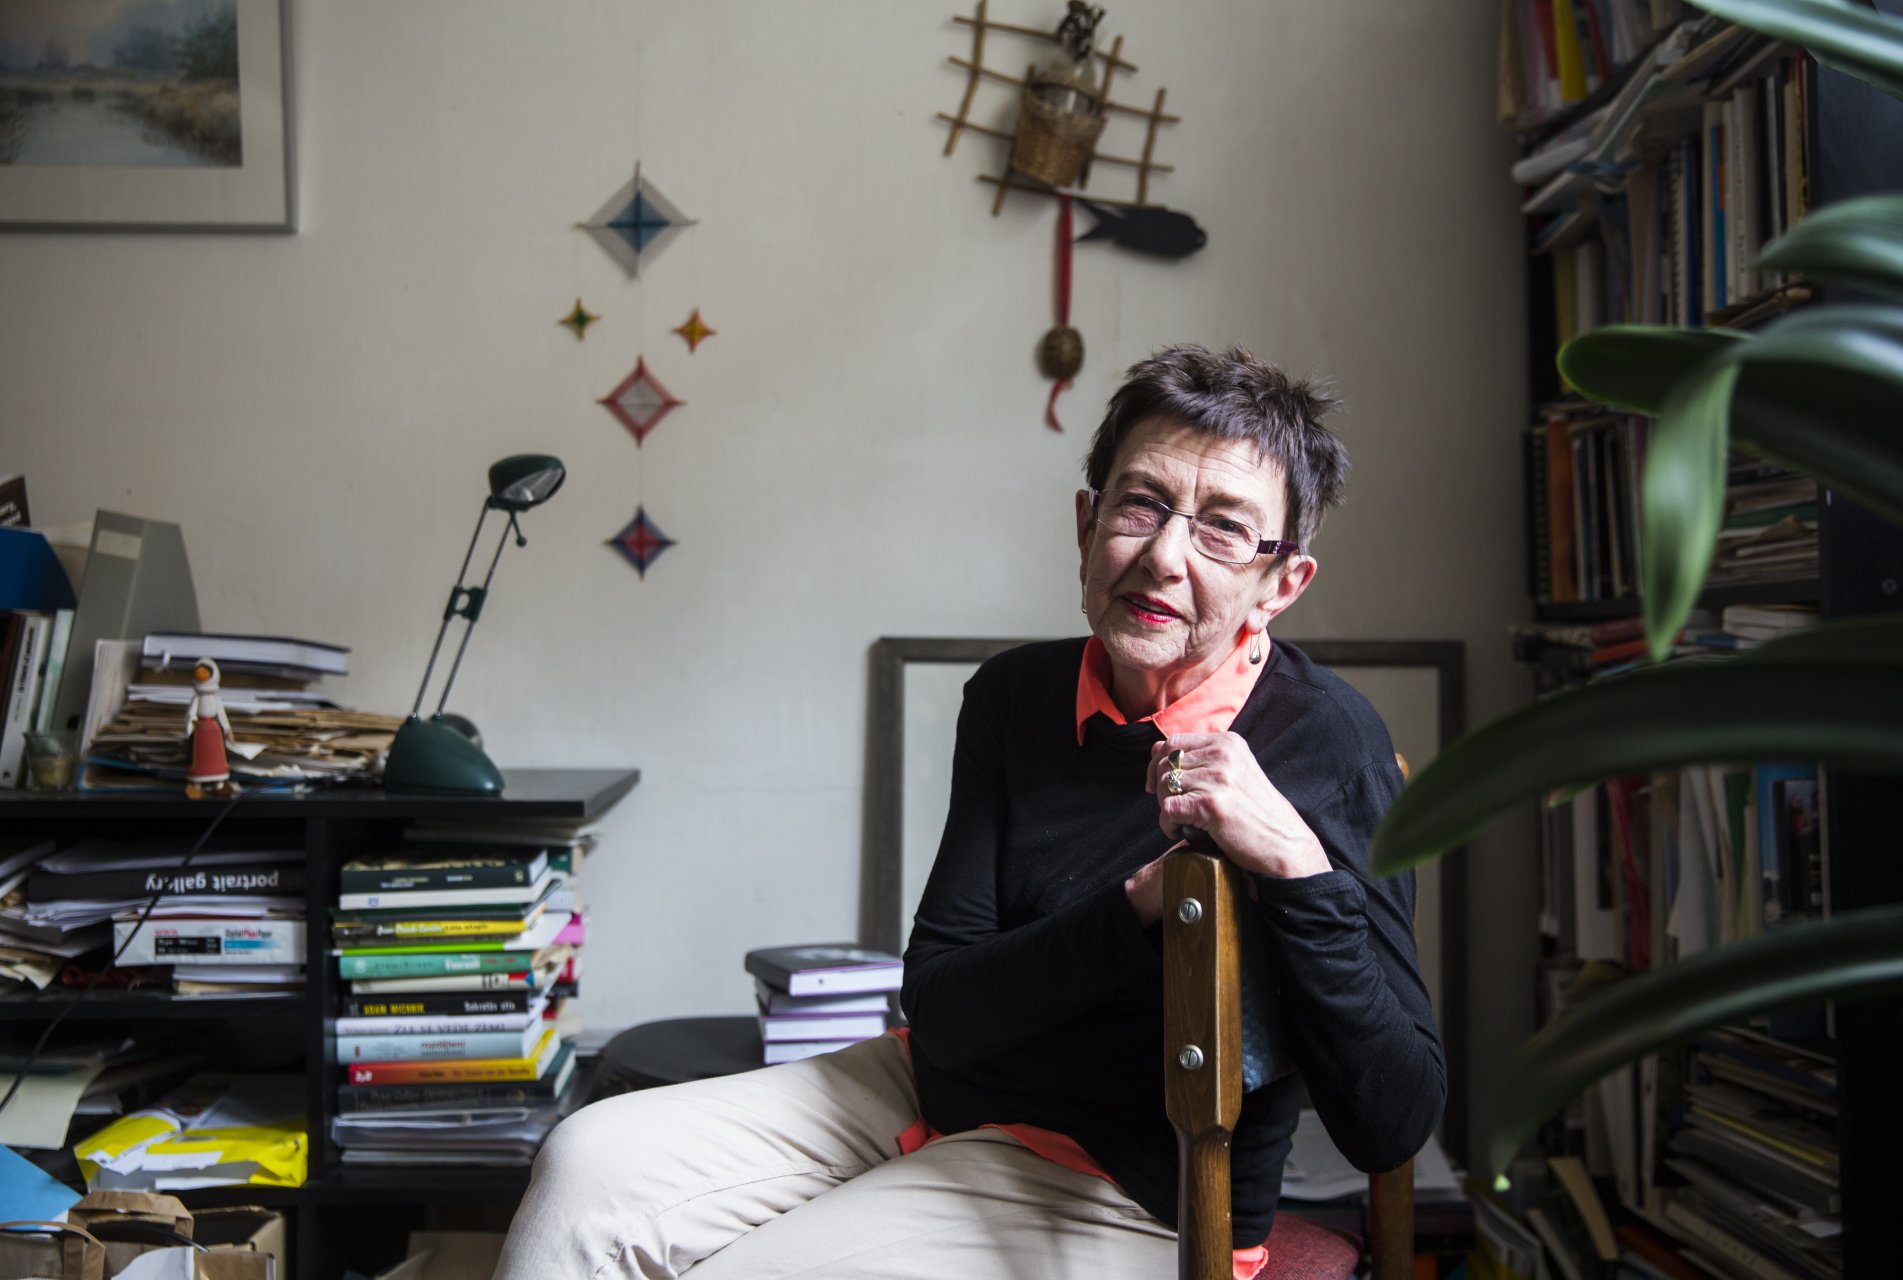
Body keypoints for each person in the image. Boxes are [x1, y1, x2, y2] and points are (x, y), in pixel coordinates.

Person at [494, 345, 1444, 1280]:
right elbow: (942, 1009)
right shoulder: (1014, 698)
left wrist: (1296, 867)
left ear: (1281, 585)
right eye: (1140, 505)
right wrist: (1138, 909)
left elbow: (1392, 1121)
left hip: (1136, 1188)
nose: (1162, 556)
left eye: (1224, 530)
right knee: (586, 1163)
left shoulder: (1331, 746)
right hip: (932, 1088)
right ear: (1087, 524)